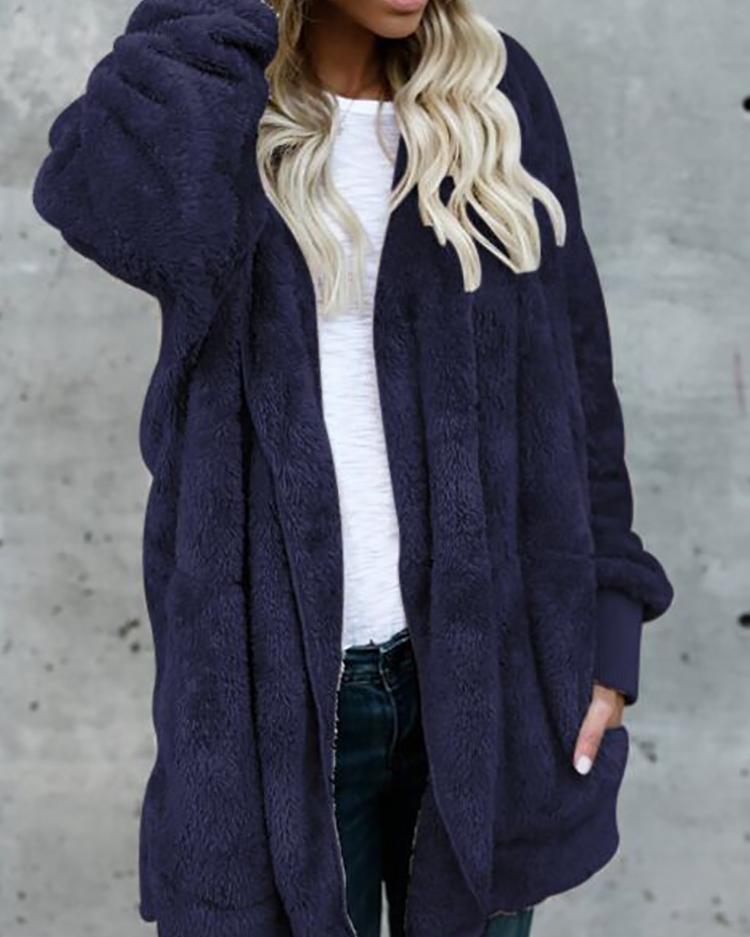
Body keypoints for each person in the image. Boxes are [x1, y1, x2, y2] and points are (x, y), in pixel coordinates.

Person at [30, 1, 674, 936]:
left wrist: (608, 644)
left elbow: (577, 383)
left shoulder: (493, 93)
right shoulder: (219, 107)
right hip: (268, 702)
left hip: (487, 681)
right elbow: (118, 208)